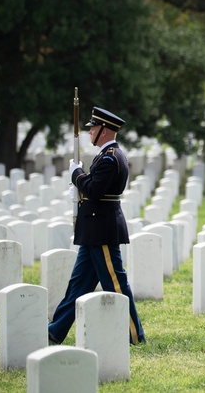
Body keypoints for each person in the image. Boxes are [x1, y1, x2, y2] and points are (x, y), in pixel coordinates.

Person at [49, 107, 145, 345]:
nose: (89, 131)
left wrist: (76, 174)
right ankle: (54, 332)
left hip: (101, 230)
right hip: (94, 230)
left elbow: (93, 190)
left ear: (104, 130)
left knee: (116, 283)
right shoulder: (107, 156)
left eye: (93, 127)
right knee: (77, 287)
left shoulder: (111, 158)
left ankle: (134, 336)